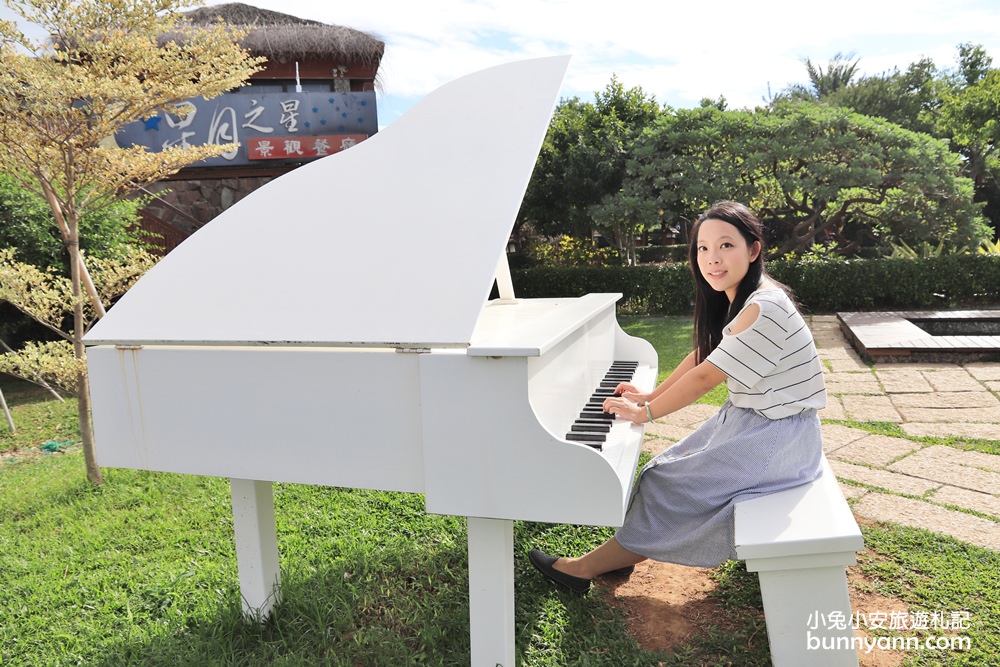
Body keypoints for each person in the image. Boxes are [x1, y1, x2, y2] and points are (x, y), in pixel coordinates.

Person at [529, 201, 827, 594]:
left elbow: (706, 377)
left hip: (778, 439)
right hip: (759, 425)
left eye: (725, 246)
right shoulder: (748, 297)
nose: (712, 259)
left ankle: (583, 570)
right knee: (661, 472)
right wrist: (651, 394)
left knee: (666, 484)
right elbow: (704, 354)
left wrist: (645, 413)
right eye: (703, 248)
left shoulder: (763, 307)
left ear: (753, 250)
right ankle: (619, 557)